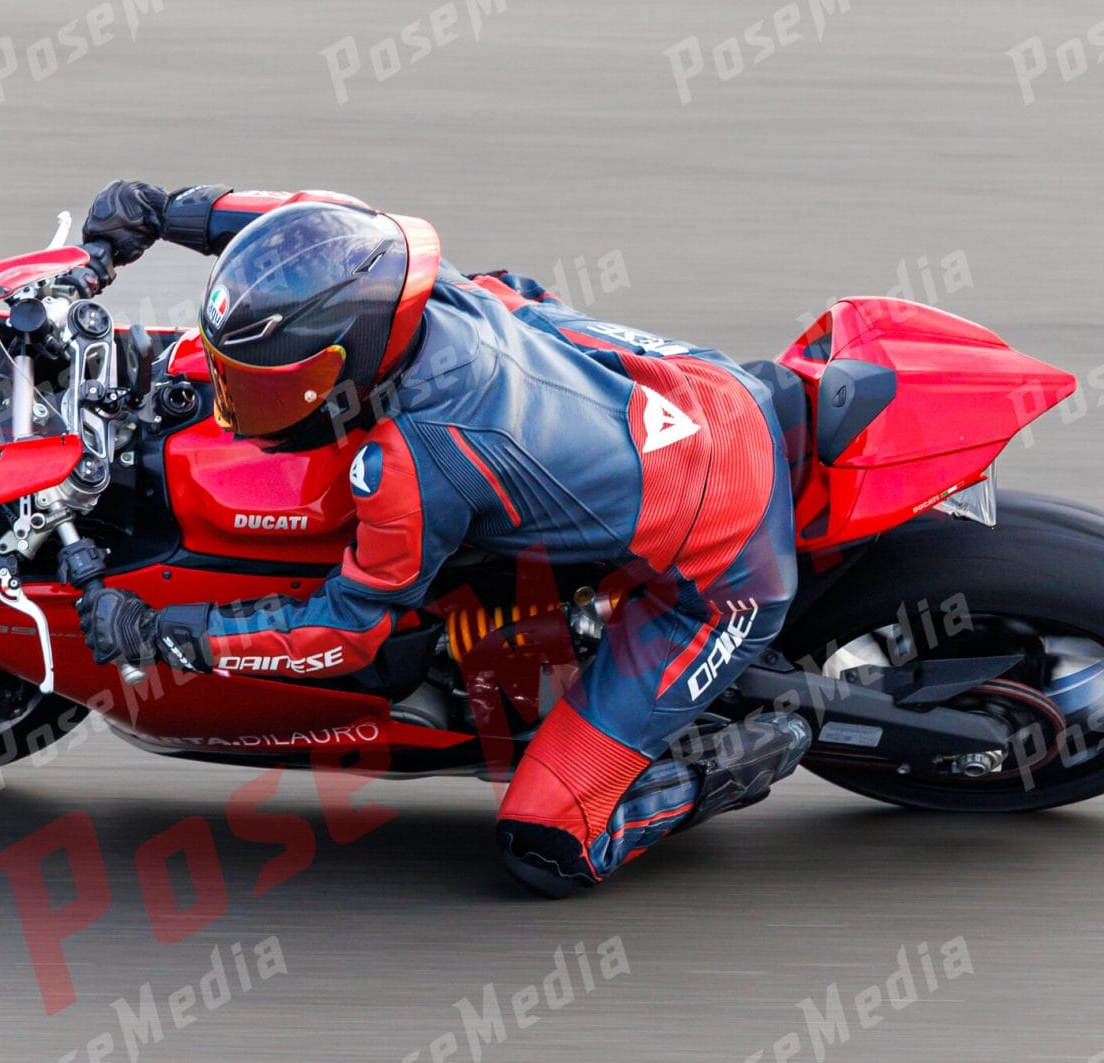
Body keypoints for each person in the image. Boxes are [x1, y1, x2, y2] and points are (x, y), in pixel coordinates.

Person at [70, 180, 810, 896]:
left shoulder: (415, 464)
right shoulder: (395, 277)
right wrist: (163, 212)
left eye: (265, 386)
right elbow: (303, 223)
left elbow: (345, 630)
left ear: (346, 363)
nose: (240, 403)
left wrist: (167, 634)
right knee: (505, 296)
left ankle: (740, 758)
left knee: (546, 846)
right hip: (696, 389)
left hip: (728, 556)